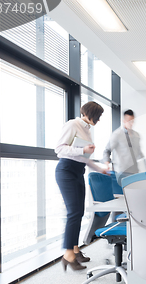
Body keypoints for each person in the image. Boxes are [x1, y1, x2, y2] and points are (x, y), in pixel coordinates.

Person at [55, 101, 108, 271]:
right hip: (66, 171)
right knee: (74, 212)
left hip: (78, 171)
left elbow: (84, 158)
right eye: (98, 116)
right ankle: (68, 255)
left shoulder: (87, 131)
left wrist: (100, 169)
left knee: (79, 212)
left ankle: (75, 250)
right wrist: (82, 149)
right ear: (90, 113)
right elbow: (60, 149)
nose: (98, 120)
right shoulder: (73, 124)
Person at [103, 109, 145, 185]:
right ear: (123, 120)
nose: (131, 123)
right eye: (129, 121)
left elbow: (139, 153)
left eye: (132, 121)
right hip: (122, 171)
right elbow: (107, 150)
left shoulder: (137, 135)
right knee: (123, 195)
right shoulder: (117, 134)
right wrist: (107, 164)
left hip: (135, 171)